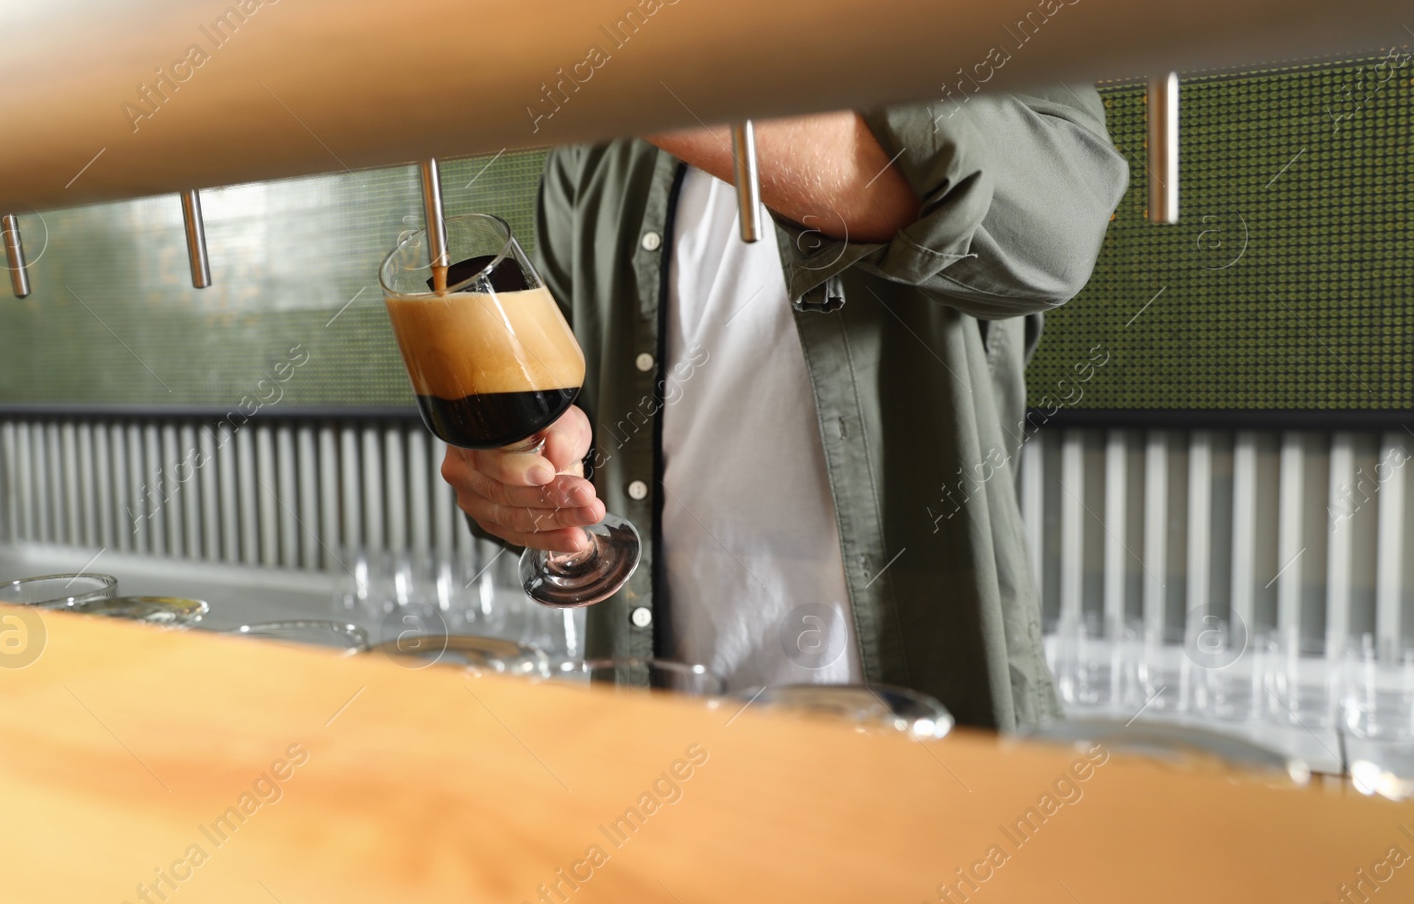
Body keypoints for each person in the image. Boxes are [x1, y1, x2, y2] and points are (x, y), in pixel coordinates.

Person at [440, 89, 1129, 730]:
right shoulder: (593, 153)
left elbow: (1056, 233)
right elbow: (574, 427)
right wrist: (524, 477)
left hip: (917, 739)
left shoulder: (945, 21)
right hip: (664, 738)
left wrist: (640, 83)